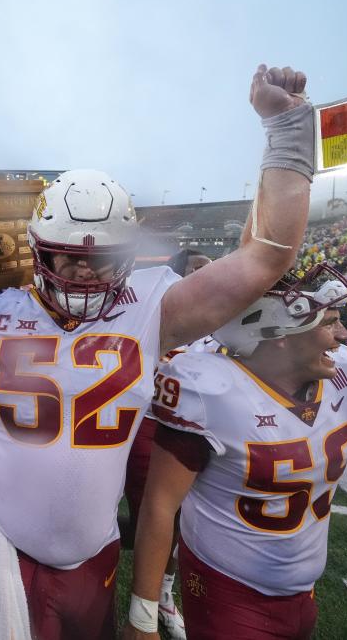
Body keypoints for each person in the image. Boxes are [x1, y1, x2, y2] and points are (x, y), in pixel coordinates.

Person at [0, 64, 315, 639]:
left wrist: (286, 127)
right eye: (65, 254)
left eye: (100, 258)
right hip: (5, 548)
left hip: (98, 552)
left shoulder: (155, 306)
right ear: (37, 248)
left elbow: (266, 258)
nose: (81, 270)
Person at [126, 264, 347, 639]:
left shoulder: (341, 376)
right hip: (229, 590)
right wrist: (142, 614)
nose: (343, 335)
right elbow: (160, 505)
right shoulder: (210, 390)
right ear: (277, 332)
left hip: (304, 591)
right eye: (329, 322)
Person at [122, 248, 214, 639]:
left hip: (181, 425)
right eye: (196, 268)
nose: (204, 277)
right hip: (138, 419)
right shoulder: (154, 303)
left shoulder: (216, 311)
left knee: (173, 518)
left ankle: (161, 592)